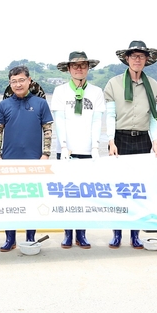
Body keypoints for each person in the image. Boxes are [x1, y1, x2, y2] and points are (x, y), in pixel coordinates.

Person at [104, 41, 157, 249]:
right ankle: (117, 233)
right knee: (119, 188)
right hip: (120, 138)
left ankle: (135, 234)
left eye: (141, 56)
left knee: (139, 189)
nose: (137, 59)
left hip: (142, 139)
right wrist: (110, 140)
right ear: (127, 59)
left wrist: (156, 141)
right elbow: (110, 115)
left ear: (146, 60)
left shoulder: (153, 86)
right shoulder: (114, 83)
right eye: (133, 56)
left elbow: (154, 118)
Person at [0, 65, 53, 252]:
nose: (18, 84)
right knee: (9, 202)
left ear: (29, 81)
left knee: (32, 201)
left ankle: (30, 237)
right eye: (14, 81)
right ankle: (10, 239)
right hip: (9, 160)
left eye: (21, 80)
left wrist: (46, 154)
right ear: (10, 84)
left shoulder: (41, 103)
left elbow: (48, 130)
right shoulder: (4, 105)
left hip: (34, 161)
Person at [51, 51, 104, 249]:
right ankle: (67, 233)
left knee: (85, 194)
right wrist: (64, 146)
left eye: (83, 65)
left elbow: (97, 121)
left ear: (88, 68)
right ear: (69, 69)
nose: (79, 68)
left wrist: (95, 147)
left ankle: (81, 234)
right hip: (66, 150)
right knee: (67, 192)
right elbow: (60, 120)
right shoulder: (60, 91)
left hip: (88, 150)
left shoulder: (96, 92)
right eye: (75, 66)